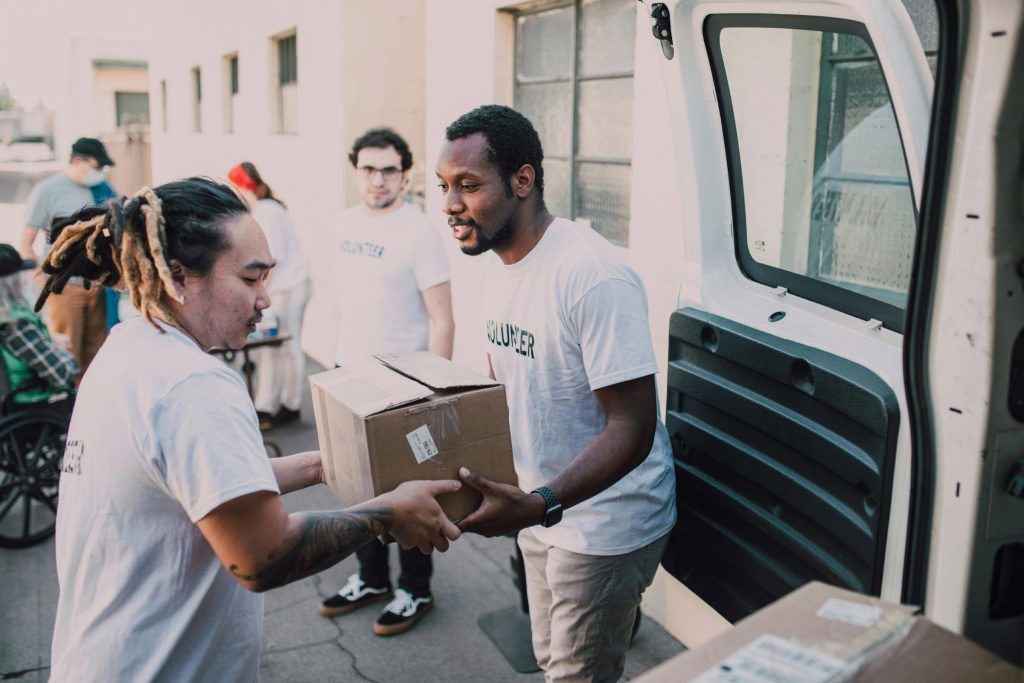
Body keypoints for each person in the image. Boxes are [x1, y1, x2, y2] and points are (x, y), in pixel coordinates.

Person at [43, 177, 462, 681]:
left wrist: (319, 465)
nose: (265, 299)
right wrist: (385, 514)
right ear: (179, 276)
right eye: (250, 280)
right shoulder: (194, 385)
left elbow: (201, 481)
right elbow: (262, 557)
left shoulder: (130, 350)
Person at [435, 105, 677, 683]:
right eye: (443, 187)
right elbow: (507, 384)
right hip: (541, 508)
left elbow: (632, 426)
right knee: (552, 658)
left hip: (603, 523)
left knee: (576, 676)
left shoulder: (591, 274)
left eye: (468, 185)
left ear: (523, 180)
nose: (450, 204)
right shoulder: (496, 263)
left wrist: (541, 501)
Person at [318, 128, 455, 636]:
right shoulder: (342, 223)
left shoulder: (418, 230)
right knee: (357, 491)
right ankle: (372, 579)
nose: (378, 179)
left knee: (413, 494)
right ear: (356, 170)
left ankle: (415, 589)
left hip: (405, 388)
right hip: (348, 378)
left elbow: (442, 318)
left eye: (389, 170)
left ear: (405, 174)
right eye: (369, 169)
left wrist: (435, 398)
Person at [19, 137, 117, 378]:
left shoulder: (103, 191)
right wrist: (46, 285)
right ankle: (68, 410)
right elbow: (26, 244)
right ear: (76, 161)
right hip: (65, 289)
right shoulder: (48, 191)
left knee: (98, 356)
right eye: (95, 167)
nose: (99, 173)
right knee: (67, 353)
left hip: (99, 288)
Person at [227, 162, 311, 430]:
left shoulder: (268, 212)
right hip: (282, 285)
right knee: (272, 348)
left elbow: (270, 261)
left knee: (288, 345)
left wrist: (255, 291)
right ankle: (268, 404)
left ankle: (291, 404)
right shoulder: (262, 210)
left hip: (290, 285)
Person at [0, 243, 77, 414]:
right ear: (12, 283)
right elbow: (62, 374)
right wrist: (61, 350)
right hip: (29, 405)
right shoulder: (15, 325)